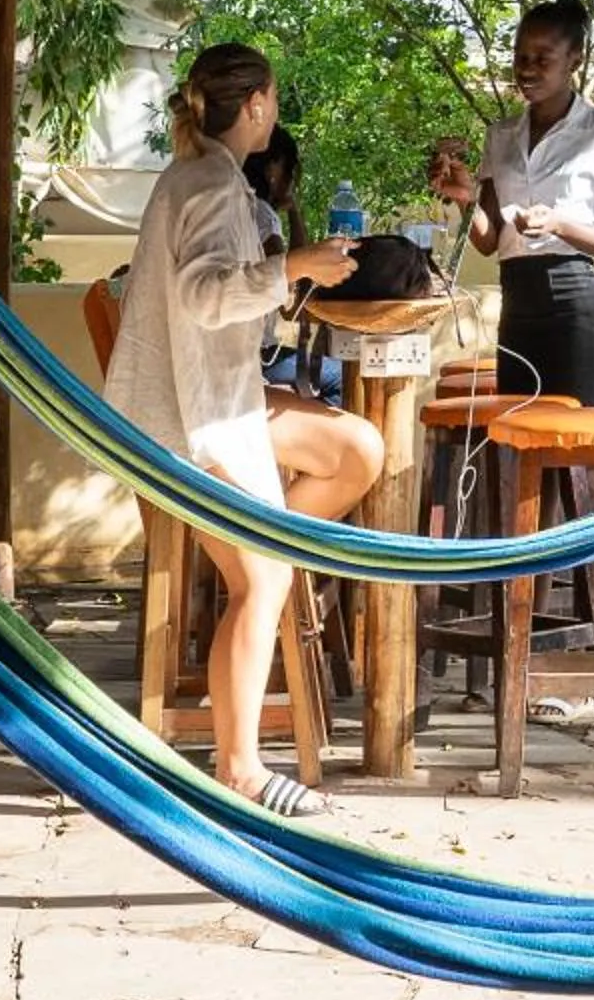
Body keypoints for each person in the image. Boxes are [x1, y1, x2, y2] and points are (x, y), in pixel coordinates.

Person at [102, 45, 384, 816]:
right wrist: (294, 266)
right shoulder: (210, 183)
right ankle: (242, 773)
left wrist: (290, 272)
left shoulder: (204, 176)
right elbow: (204, 297)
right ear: (255, 102)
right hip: (189, 423)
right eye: (274, 99)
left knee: (353, 453)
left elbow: (222, 303)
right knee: (263, 581)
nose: (276, 112)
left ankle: (271, 547)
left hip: (212, 403)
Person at [427, 0, 594, 406]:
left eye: (543, 58)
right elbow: (490, 241)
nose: (527, 68)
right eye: (521, 57)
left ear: (575, 60)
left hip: (575, 307)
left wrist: (559, 224)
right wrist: (465, 198)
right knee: (518, 435)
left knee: (573, 438)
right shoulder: (501, 135)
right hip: (517, 306)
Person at [243, 126, 343, 403]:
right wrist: (295, 211)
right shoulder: (263, 215)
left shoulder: (239, 207)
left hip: (239, 354)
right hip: (257, 358)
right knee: (341, 378)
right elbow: (290, 300)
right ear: (274, 167)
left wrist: (294, 210)